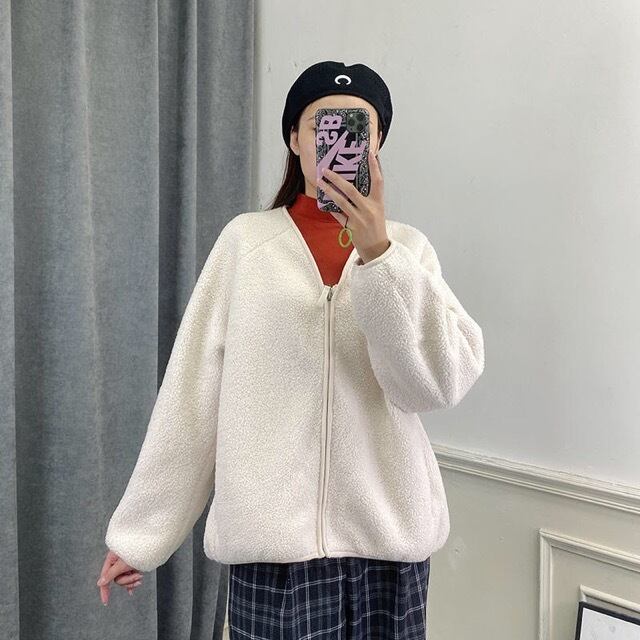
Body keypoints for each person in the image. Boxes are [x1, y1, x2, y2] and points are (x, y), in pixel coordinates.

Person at [96, 60, 485, 639]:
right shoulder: (245, 244)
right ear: (296, 138)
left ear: (376, 142)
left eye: (358, 127)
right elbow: (192, 397)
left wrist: (379, 256)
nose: (339, 141)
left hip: (388, 554)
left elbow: (433, 384)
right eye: (323, 125)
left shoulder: (408, 252)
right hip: (272, 557)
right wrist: (141, 536)